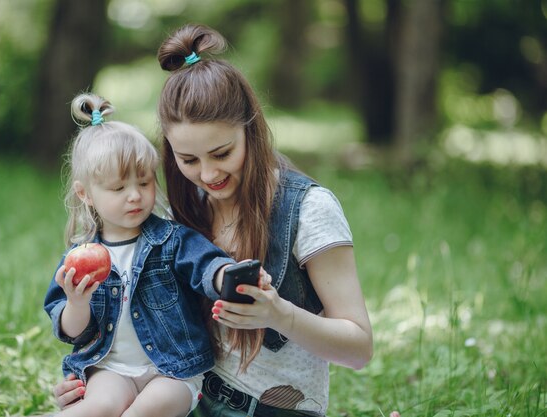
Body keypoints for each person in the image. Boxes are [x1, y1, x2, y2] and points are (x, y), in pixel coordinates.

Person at [52, 25, 401, 417]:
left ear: (250, 129)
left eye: (222, 153)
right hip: (189, 397)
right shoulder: (180, 210)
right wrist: (98, 376)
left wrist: (279, 314)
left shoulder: (308, 209)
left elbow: (359, 348)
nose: (207, 174)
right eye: (188, 160)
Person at [43, 92, 266, 417]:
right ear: (85, 194)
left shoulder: (171, 239)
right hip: (111, 368)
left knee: (146, 410)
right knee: (98, 407)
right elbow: (72, 331)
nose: (135, 196)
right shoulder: (78, 258)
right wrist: (77, 303)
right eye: (119, 189)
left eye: (144, 183)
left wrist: (227, 276)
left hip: (174, 371)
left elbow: (205, 265)